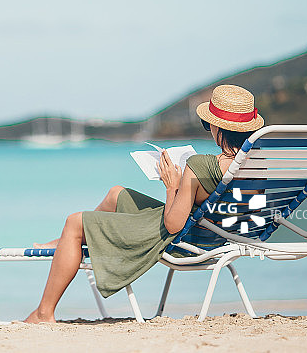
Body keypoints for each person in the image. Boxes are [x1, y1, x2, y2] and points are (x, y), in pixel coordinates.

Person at [24, 84, 265, 324]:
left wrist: (172, 186)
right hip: (216, 235)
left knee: (74, 222)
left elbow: (172, 225)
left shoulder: (201, 165)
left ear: (216, 126)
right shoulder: (256, 164)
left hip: (187, 240)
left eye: (208, 123)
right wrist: (189, 188)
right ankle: (65, 242)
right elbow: (238, 207)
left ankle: (44, 313)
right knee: (116, 194)